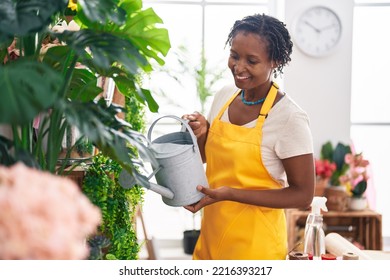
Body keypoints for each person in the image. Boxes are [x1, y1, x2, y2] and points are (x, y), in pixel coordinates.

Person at [182, 13, 315, 260]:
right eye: (234, 56)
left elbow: (303, 194)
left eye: (251, 61)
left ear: (274, 61)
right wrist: (200, 133)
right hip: (210, 240)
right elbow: (205, 156)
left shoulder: (289, 118)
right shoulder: (224, 96)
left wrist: (231, 194)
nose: (238, 67)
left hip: (255, 249)